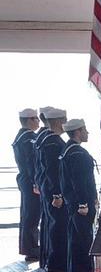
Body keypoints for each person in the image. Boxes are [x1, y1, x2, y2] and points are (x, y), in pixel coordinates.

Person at [58, 119, 98, 272]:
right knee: (83, 239)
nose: (87, 133)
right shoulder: (78, 154)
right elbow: (79, 181)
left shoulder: (67, 150)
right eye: (85, 130)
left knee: (75, 238)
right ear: (78, 132)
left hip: (72, 203)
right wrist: (83, 204)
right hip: (81, 204)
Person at [36, 107, 69, 272]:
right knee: (58, 227)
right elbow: (52, 171)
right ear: (58, 122)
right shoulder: (52, 142)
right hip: (54, 191)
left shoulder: (46, 139)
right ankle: (57, 265)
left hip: (47, 189)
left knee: (52, 225)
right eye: (65, 119)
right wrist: (57, 194)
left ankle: (50, 261)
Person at [13, 108, 41, 261]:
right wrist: (36, 182)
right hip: (31, 180)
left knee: (27, 214)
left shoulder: (20, 136)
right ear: (29, 120)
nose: (38, 121)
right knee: (32, 214)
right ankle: (31, 248)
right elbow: (32, 163)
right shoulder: (29, 138)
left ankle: (27, 247)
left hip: (24, 178)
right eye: (36, 119)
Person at [33, 106, 53, 270]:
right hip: (51, 188)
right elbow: (51, 168)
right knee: (54, 226)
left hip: (45, 185)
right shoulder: (50, 140)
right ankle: (54, 262)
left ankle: (46, 258)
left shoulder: (41, 137)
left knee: (48, 223)